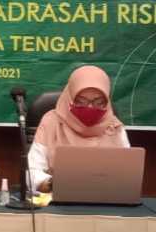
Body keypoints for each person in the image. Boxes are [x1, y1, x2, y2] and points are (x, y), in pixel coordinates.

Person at [28, 65, 129, 193]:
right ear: (70, 99)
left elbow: (127, 172)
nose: (90, 107)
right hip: (57, 197)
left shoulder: (114, 126)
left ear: (107, 102)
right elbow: (32, 172)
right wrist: (56, 183)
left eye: (99, 102)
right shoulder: (51, 122)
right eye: (82, 101)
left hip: (106, 197)